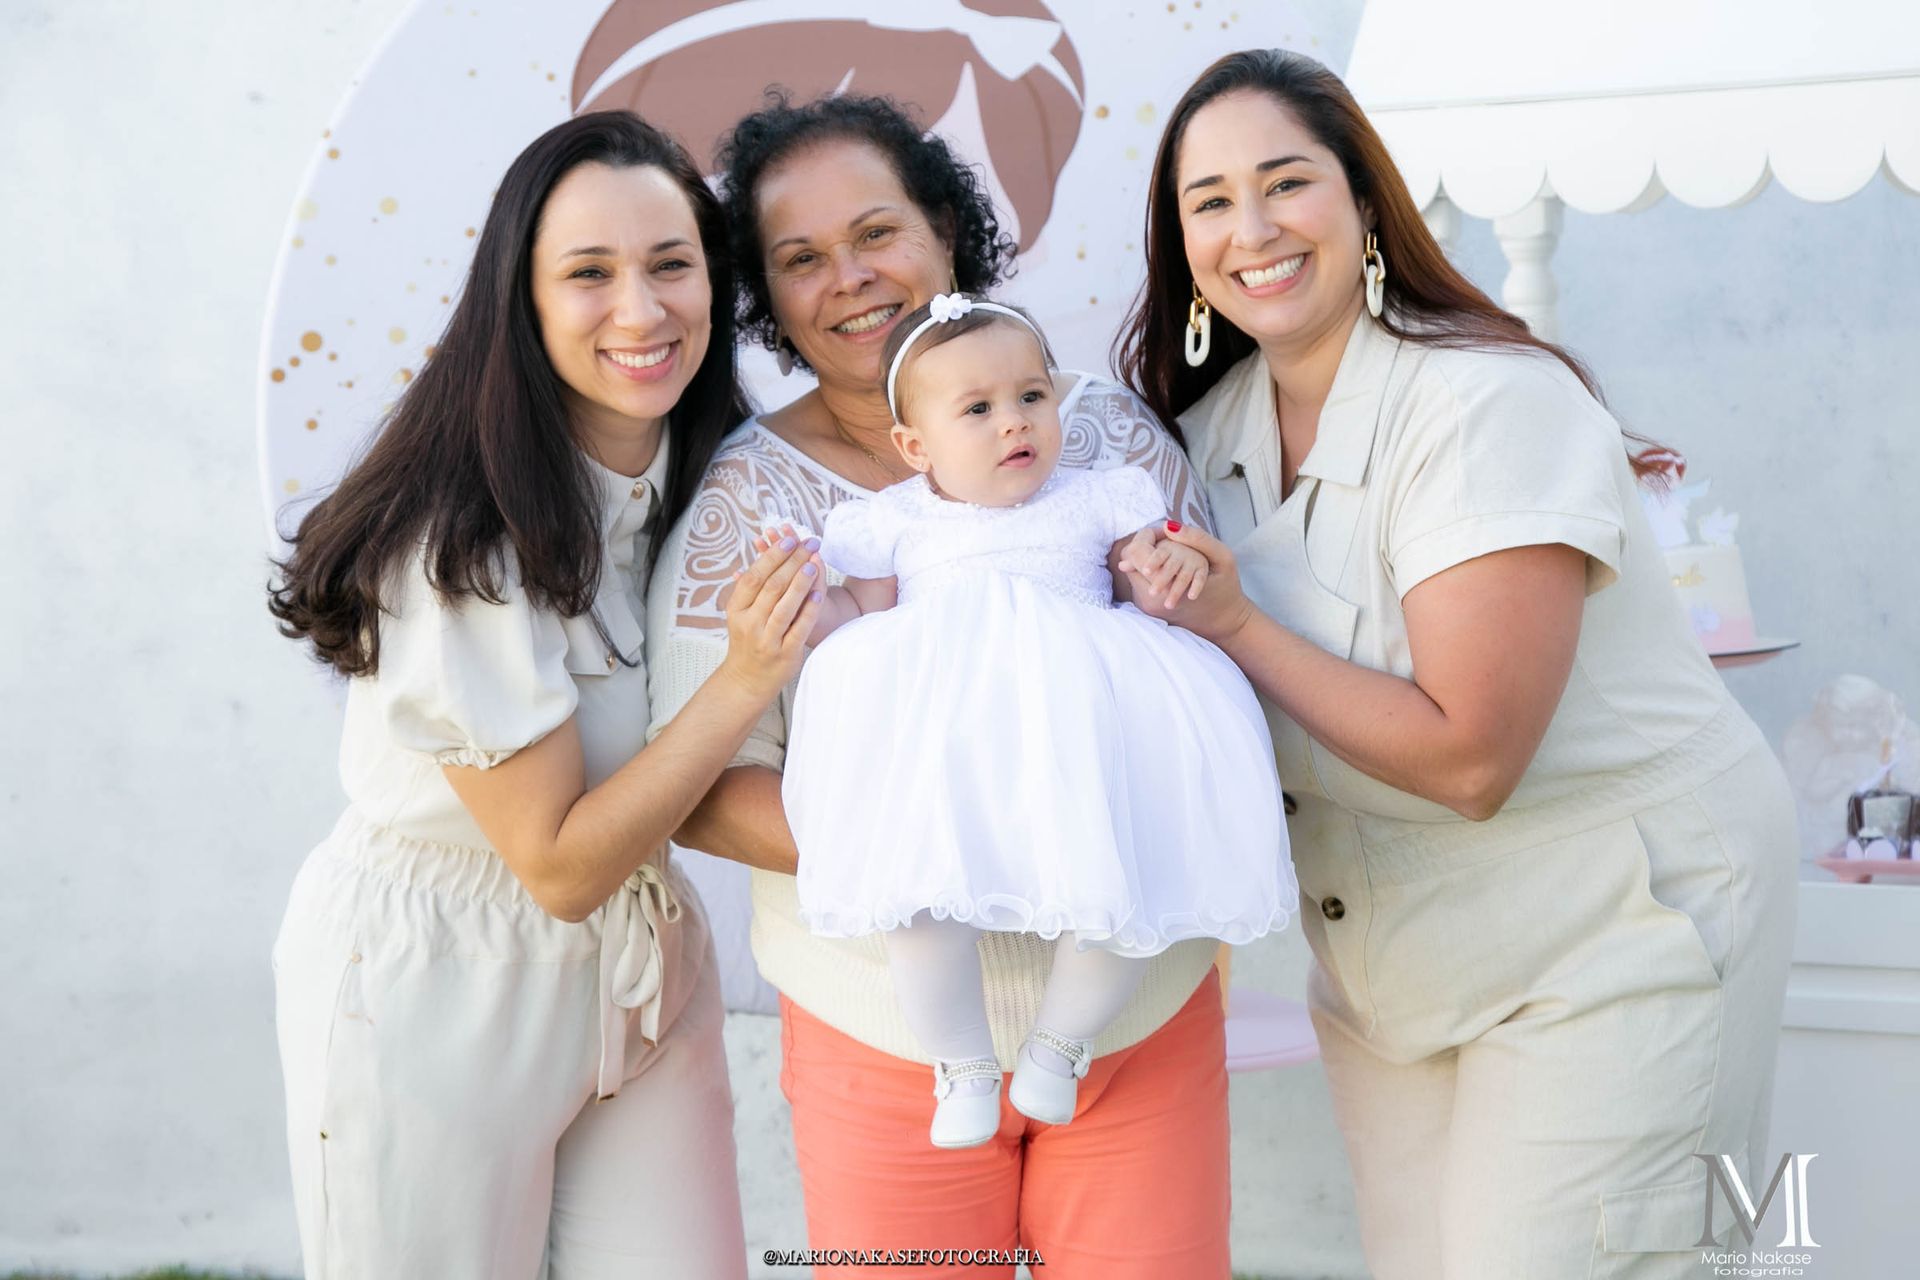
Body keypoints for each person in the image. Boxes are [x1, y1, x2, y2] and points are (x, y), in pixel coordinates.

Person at [1116, 49, 1798, 1278]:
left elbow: (1474, 755)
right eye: (1209, 201)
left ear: (1366, 202)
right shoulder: (1199, 435)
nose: (1252, 228)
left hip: (1611, 927)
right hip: (1391, 960)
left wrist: (1235, 626)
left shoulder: (1486, 402)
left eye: (1287, 182)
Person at [644, 94, 1234, 1277]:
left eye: (878, 233)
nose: (851, 278)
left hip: (1135, 1009)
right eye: (800, 259)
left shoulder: (1104, 438)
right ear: (765, 295)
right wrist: (953, 843)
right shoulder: (750, 504)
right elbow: (702, 787)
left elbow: (1208, 666)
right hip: (885, 1034)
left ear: (948, 234)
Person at [266, 111, 822, 1279]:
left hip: (645, 962)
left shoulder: (713, 479)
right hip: (436, 980)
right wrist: (740, 685)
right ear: (519, 300)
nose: (642, 308)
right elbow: (562, 867)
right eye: (589, 274)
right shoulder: (457, 539)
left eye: (674, 264)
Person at [768, 293, 1291, 1150]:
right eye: (977, 410)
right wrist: (800, 606)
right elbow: (854, 614)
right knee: (920, 904)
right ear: (914, 445)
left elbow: (1134, 579)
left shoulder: (1099, 495)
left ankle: (1059, 1044)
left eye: (1032, 396)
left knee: (1131, 884)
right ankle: (963, 1062)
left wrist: (1153, 569)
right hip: (954, 748)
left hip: (1082, 733)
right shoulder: (896, 519)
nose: (1015, 423)